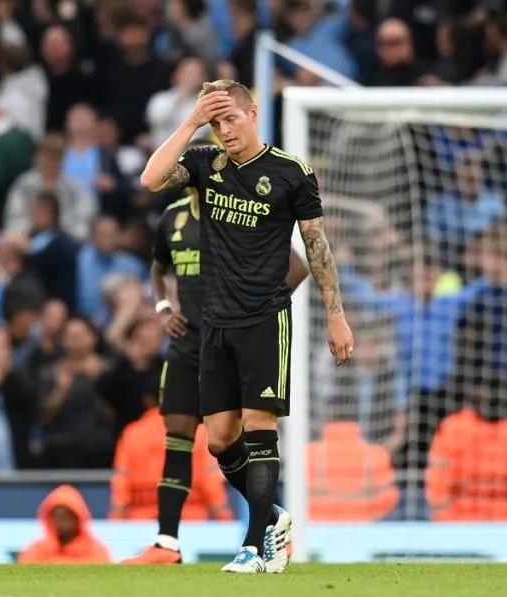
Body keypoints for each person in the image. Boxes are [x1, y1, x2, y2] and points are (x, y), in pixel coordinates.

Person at [140, 80, 353, 574]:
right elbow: (151, 178)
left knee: (259, 427)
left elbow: (316, 249)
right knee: (218, 440)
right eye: (216, 124)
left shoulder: (291, 173)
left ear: (253, 113)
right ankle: (272, 516)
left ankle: (256, 547)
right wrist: (192, 122)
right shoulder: (204, 164)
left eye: (231, 119)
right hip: (215, 322)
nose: (225, 131)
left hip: (264, 318)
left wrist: (336, 314)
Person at [122, 185, 309, 565]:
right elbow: (158, 268)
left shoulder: (236, 213)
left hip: (227, 345)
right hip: (185, 345)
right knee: (176, 439)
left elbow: (297, 265)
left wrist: (255, 310)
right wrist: (161, 307)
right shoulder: (172, 217)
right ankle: (167, 543)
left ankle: (267, 520)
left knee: (225, 441)